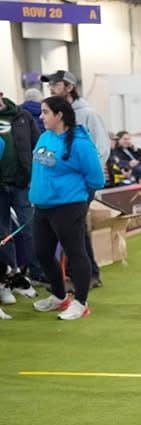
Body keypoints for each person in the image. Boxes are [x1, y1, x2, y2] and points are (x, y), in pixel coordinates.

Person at [28, 97, 104, 320]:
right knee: (41, 252)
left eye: (45, 112)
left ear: (59, 115)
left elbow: (96, 179)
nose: (41, 117)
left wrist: (77, 200)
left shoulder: (80, 143)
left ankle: (81, 302)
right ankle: (60, 297)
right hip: (42, 207)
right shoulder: (44, 137)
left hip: (69, 207)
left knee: (75, 253)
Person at [43, 70, 109, 289]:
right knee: (73, 229)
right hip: (60, 186)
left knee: (74, 228)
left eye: (56, 83)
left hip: (81, 184)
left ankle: (84, 275)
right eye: (50, 83)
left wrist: (89, 180)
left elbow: (101, 148)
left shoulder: (88, 114)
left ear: (69, 87)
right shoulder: (52, 117)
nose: (51, 87)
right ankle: (86, 274)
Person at [0, 89, 41, 306]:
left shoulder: (22, 116)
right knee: (3, 234)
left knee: (28, 228)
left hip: (21, 183)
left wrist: (36, 176)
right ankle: (8, 280)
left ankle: (37, 272)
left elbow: (38, 146)